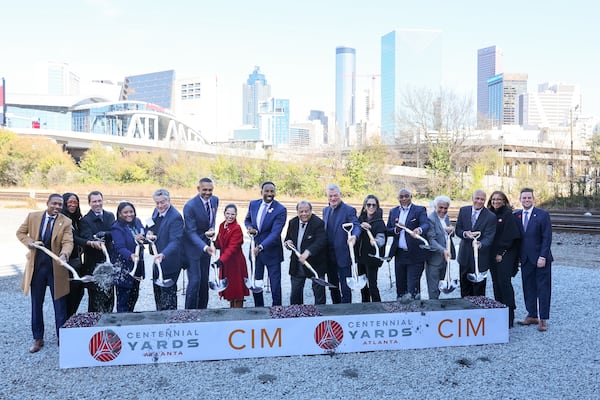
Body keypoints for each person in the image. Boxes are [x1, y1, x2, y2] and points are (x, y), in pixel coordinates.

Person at [16, 193, 73, 353]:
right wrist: (30, 242)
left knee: (60, 306)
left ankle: (63, 338)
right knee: (36, 304)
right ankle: (38, 338)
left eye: (59, 204)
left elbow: (68, 242)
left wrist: (64, 254)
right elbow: (20, 233)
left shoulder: (66, 221)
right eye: (54, 203)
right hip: (37, 268)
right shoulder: (33, 217)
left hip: (56, 269)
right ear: (47, 203)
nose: (56, 207)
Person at [515, 188, 553, 332]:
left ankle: (543, 319)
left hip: (541, 259)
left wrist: (543, 256)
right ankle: (531, 315)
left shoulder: (542, 215)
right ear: (520, 199)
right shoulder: (516, 215)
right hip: (525, 259)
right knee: (528, 287)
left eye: (529, 198)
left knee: (543, 289)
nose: (526, 200)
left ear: (533, 199)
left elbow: (547, 237)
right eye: (524, 198)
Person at [245, 181, 287, 307]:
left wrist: (261, 247)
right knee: (256, 282)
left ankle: (277, 308)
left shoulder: (280, 209)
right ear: (261, 192)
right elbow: (247, 220)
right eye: (267, 191)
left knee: (275, 284)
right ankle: (259, 308)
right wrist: (250, 227)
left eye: (272, 191)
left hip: (271, 252)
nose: (269, 194)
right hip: (255, 252)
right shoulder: (253, 204)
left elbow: (275, 233)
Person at [386, 188, 430, 301]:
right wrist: (395, 230)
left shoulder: (419, 210)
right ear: (398, 198)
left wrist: (419, 230)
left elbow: (425, 224)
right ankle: (401, 312)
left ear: (411, 197)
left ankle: (415, 313)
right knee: (400, 287)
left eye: (406, 196)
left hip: (415, 255)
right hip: (399, 254)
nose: (404, 198)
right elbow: (388, 230)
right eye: (401, 196)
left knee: (413, 288)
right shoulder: (393, 211)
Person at [183, 177, 218, 309]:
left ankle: (203, 311)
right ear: (198, 189)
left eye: (210, 190)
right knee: (195, 281)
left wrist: (212, 230)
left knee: (204, 281)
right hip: (193, 247)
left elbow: (212, 220)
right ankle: (189, 313)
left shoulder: (215, 200)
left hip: (207, 245)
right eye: (204, 190)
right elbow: (190, 232)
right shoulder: (190, 206)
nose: (208, 193)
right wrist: (204, 247)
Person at [487, 191, 521, 328]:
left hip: (505, 254)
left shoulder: (508, 214)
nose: (496, 201)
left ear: (504, 201)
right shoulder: (489, 214)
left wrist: (501, 252)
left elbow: (511, 237)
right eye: (494, 199)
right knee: (496, 284)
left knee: (504, 283)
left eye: (499, 199)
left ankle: (509, 316)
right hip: (492, 254)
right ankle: (499, 312)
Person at [284, 200, 327, 305]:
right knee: (295, 293)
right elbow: (287, 238)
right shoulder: (292, 222)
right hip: (297, 264)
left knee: (319, 292)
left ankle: (320, 315)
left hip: (315, 264)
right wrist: (287, 243)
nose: (304, 214)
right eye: (301, 211)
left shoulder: (318, 223)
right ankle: (296, 315)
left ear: (311, 211)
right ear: (297, 212)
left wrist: (307, 252)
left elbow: (321, 241)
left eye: (306, 211)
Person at [323, 184, 360, 304]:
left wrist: (354, 236)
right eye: (330, 196)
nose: (333, 198)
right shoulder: (326, 210)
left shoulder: (349, 210)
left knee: (345, 286)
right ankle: (336, 308)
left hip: (343, 254)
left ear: (340, 195)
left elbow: (356, 225)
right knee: (332, 285)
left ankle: (346, 310)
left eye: (335, 195)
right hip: (329, 255)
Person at [455, 189, 497, 297]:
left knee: (478, 291)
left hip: (480, 258)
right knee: (464, 288)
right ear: (472, 198)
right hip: (464, 256)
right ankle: (465, 311)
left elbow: (489, 237)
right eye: (477, 198)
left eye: (482, 199)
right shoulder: (463, 211)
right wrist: (464, 233)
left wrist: (480, 244)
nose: (479, 201)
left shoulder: (491, 216)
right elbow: (458, 229)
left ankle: (478, 312)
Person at [148, 189, 184, 311]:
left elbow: (176, 241)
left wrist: (164, 254)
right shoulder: (156, 211)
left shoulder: (176, 217)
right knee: (158, 294)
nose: (159, 206)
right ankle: (160, 319)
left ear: (169, 200)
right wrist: (149, 232)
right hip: (157, 260)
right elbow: (150, 225)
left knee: (168, 298)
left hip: (170, 262)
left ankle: (170, 322)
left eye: (162, 202)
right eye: (157, 203)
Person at [79, 191, 115, 313]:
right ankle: (95, 328)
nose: (97, 204)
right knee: (95, 299)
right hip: (93, 264)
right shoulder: (85, 220)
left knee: (109, 296)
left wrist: (106, 234)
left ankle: (109, 323)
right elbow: (86, 237)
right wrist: (95, 241)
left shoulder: (110, 216)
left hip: (109, 262)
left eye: (99, 200)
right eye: (94, 201)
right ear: (89, 203)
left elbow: (115, 233)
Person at [111, 201, 145, 313]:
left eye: (131, 211)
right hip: (123, 269)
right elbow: (119, 247)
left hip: (136, 268)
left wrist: (145, 236)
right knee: (123, 302)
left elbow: (142, 234)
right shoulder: (116, 227)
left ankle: (129, 322)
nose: (129, 214)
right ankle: (122, 324)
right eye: (125, 212)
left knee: (134, 298)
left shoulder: (137, 222)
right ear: (120, 214)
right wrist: (130, 255)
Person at [214, 204, 249, 308]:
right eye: (228, 213)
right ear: (224, 213)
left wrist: (220, 260)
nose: (230, 216)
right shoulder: (222, 225)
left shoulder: (237, 228)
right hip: (226, 263)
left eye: (233, 214)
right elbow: (219, 243)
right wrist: (212, 242)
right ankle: (231, 312)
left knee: (237, 289)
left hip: (235, 263)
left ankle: (238, 313)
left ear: (236, 215)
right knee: (230, 290)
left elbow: (232, 247)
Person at [356, 195, 386, 302]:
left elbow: (381, 238)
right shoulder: (360, 219)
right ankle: (365, 305)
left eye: (374, 205)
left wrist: (376, 242)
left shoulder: (379, 222)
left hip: (372, 259)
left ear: (377, 207)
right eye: (369, 204)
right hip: (360, 257)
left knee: (372, 284)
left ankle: (377, 306)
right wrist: (361, 225)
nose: (371, 207)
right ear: (365, 206)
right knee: (362, 284)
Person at [61, 192, 87, 318]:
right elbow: (73, 238)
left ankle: (70, 316)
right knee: (69, 293)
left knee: (79, 291)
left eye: (75, 202)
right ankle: (66, 319)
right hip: (65, 261)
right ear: (64, 203)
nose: (72, 205)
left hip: (76, 260)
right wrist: (88, 242)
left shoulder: (76, 219)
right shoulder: (61, 219)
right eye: (70, 202)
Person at [425, 195, 456, 300]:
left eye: (445, 208)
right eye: (440, 207)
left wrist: (452, 230)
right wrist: (443, 250)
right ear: (435, 207)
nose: (443, 210)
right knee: (433, 289)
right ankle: (433, 311)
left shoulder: (446, 217)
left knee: (441, 286)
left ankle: (437, 310)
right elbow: (431, 240)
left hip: (445, 259)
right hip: (434, 259)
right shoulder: (430, 219)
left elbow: (448, 234)